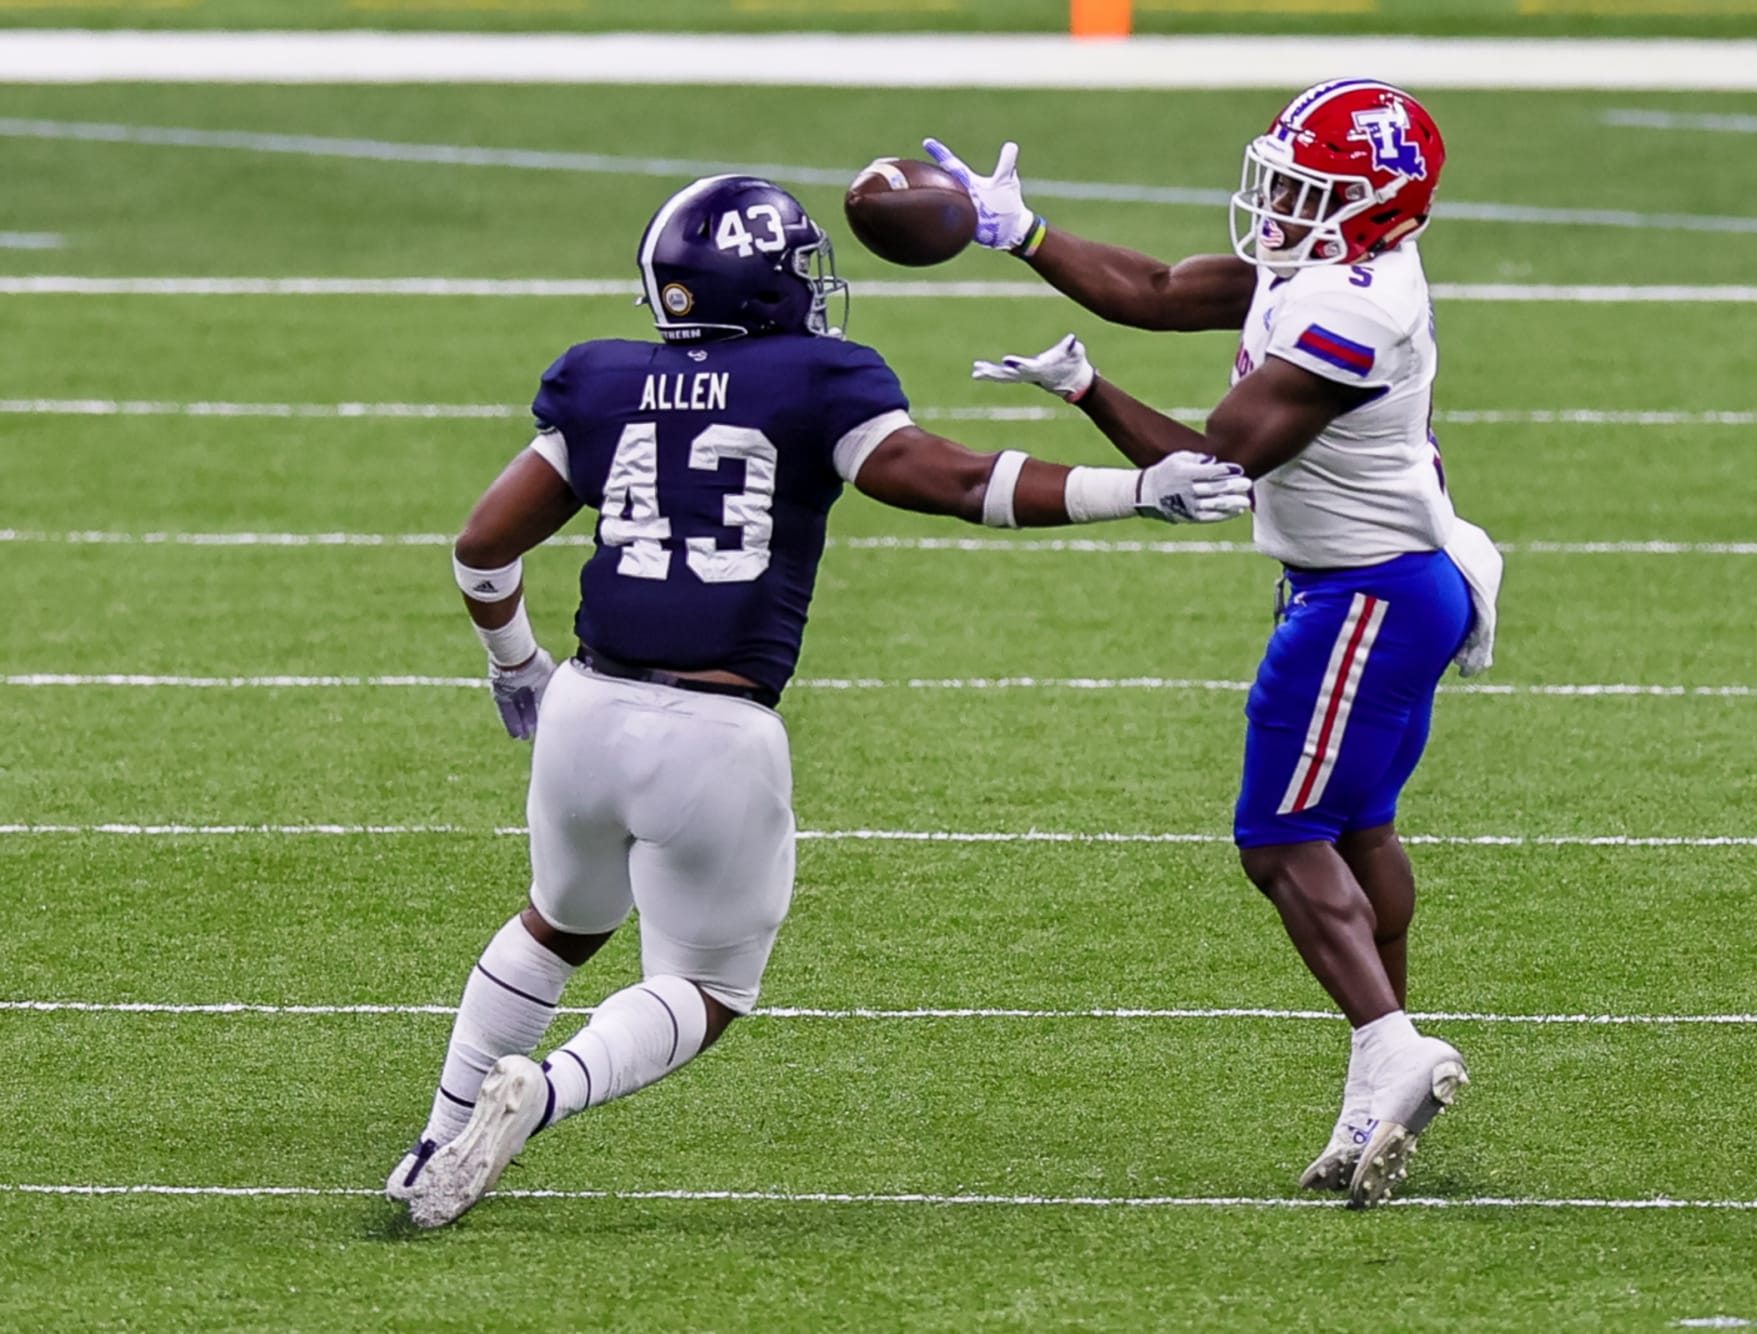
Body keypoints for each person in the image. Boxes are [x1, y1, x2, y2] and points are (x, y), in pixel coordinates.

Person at [389, 174, 1251, 1229]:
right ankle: (543, 1093)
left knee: (556, 923)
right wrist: (1132, 486)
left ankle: (432, 1139)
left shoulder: (598, 378)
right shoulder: (816, 376)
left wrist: (513, 663)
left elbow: (482, 547)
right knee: (706, 986)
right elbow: (939, 476)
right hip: (715, 727)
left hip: (582, 706)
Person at [924, 78, 1504, 1209]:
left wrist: (1088, 391)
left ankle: (1389, 1041)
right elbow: (1156, 287)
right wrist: (1022, 232)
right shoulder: (1326, 266)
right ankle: (1370, 1077)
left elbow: (1218, 468)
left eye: (1311, 189)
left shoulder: (1360, 306)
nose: (1280, 203)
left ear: (1377, 209)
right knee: (1355, 826)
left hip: (1362, 597)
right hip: (1392, 587)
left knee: (1278, 840)